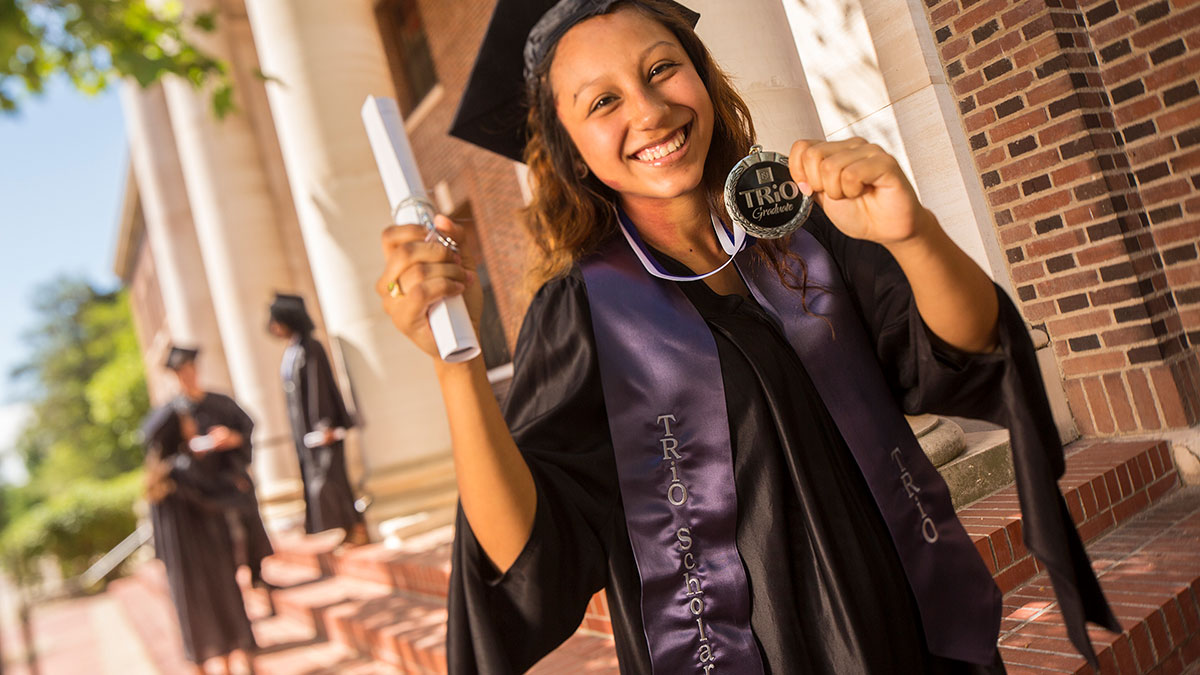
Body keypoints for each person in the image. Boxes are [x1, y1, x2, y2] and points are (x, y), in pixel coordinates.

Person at [375, 1, 1119, 673]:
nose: (650, 109)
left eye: (663, 68)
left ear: (702, 76)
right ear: (570, 151)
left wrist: (915, 234)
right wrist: (456, 367)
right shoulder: (583, 314)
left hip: (915, 629)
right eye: (603, 101)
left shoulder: (804, 234)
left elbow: (961, 355)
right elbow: (532, 553)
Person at [142, 403, 258, 674]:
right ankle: (234, 666)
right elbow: (211, 500)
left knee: (193, 616)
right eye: (185, 422)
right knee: (223, 608)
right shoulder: (183, 468)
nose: (192, 424)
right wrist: (238, 490)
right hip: (207, 554)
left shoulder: (156, 476)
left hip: (181, 564)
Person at [166, 346, 275, 590]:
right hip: (201, 485)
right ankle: (228, 584)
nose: (187, 376)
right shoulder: (174, 413)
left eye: (189, 370)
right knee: (219, 535)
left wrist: (232, 438)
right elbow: (168, 453)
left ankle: (257, 574)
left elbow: (246, 427)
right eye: (181, 372)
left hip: (230, 476)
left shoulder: (220, 402)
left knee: (248, 523)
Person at [266, 293, 367, 544]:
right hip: (305, 435)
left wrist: (324, 426)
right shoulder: (292, 350)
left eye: (276, 320)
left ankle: (356, 528)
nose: (273, 327)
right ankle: (344, 529)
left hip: (321, 432)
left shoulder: (310, 347)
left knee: (332, 479)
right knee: (321, 480)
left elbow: (319, 386)